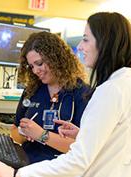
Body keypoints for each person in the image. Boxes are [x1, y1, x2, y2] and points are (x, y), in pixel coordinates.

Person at [0, 12, 131, 177]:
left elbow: (77, 161)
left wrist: (16, 174)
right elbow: (114, 143)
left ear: (106, 42)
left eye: (86, 39)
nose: (80, 46)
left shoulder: (109, 91)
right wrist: (82, 135)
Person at [10, 31, 90, 164]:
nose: (35, 71)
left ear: (56, 58)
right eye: (31, 66)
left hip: (59, 169)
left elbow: (82, 149)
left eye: (39, 63)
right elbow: (14, 131)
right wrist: (23, 133)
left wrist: (41, 135)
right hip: (26, 165)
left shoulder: (83, 94)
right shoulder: (31, 91)